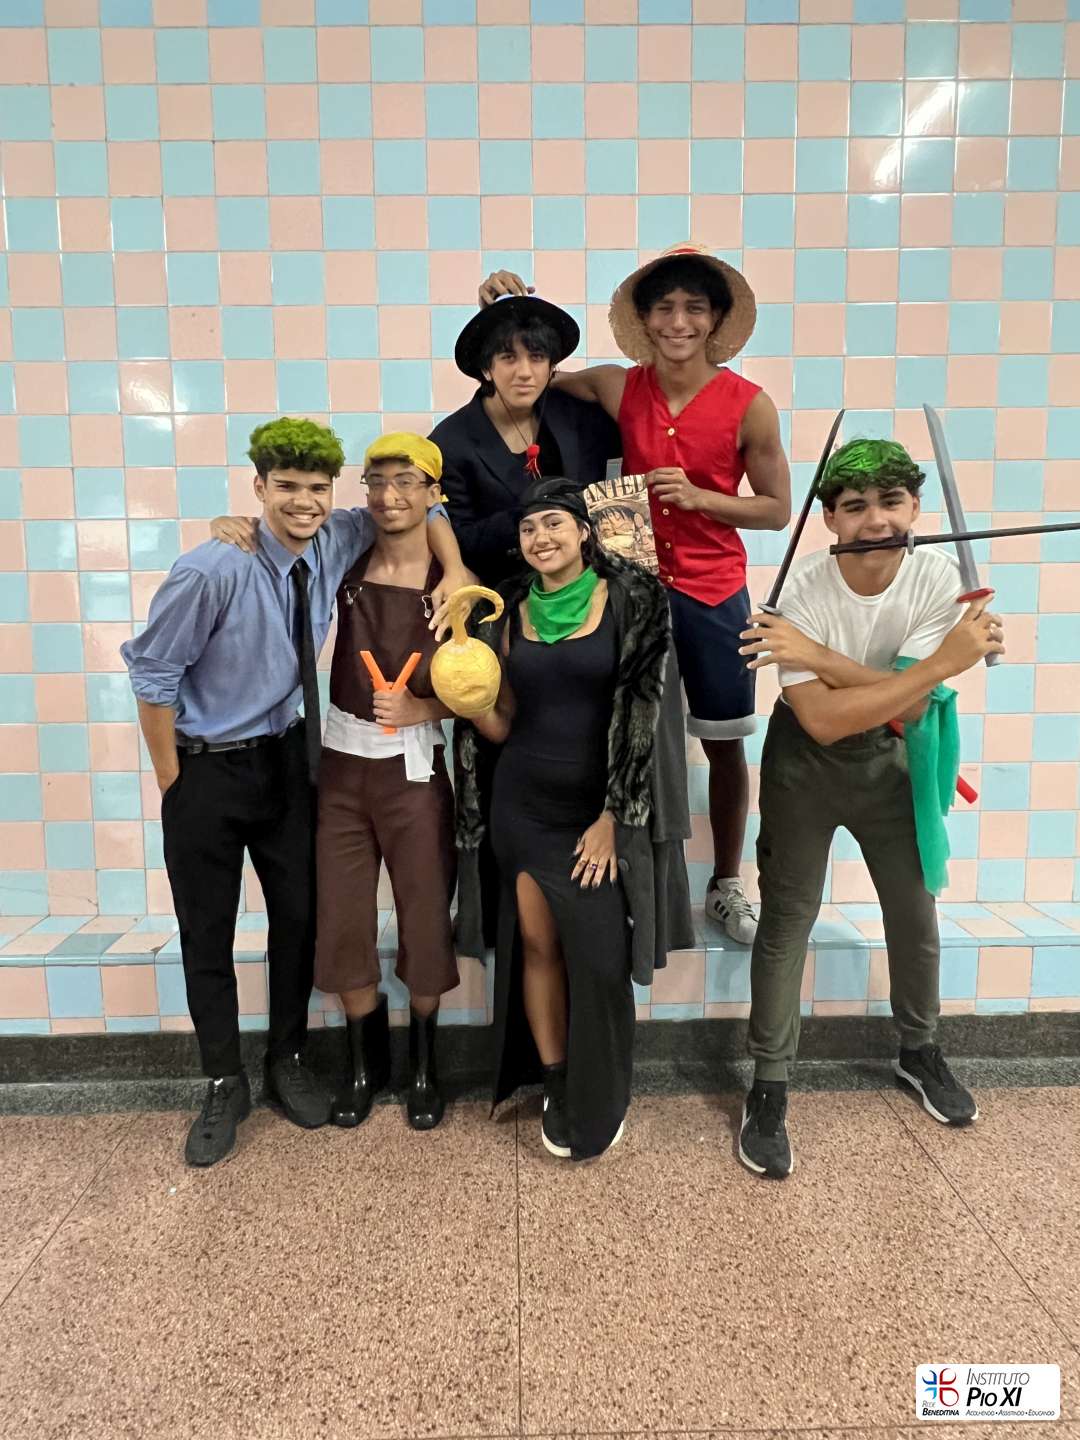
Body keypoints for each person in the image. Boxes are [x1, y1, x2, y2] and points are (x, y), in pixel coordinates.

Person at [125, 417, 467, 1167]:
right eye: (286, 487)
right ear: (259, 488)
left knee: (299, 919)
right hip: (209, 768)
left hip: (288, 760)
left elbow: (422, 501)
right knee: (208, 930)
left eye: (317, 488)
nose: (305, 502)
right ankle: (224, 1082)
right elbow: (152, 675)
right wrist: (175, 781)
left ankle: (289, 1059)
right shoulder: (213, 569)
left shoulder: (336, 537)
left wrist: (460, 568)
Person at [478, 244, 792, 947]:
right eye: (665, 308)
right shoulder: (618, 387)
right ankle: (617, 872)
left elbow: (776, 510)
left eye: (695, 308)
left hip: (714, 592)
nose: (679, 322)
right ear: (644, 319)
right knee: (615, 729)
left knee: (723, 742)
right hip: (630, 589)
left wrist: (703, 498)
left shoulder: (750, 405)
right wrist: (506, 312)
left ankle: (727, 882)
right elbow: (532, 377)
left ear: (716, 320)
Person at [734, 438, 1006, 1180]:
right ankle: (769, 1085)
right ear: (829, 518)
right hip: (803, 764)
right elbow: (824, 721)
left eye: (891, 502)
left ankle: (920, 1051)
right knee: (786, 919)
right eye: (855, 506)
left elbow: (908, 712)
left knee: (914, 913)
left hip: (892, 763)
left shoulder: (938, 576)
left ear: (915, 507)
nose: (876, 521)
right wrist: (943, 665)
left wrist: (822, 659)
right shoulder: (800, 592)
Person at [453, 476, 694, 1161]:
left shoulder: (633, 600)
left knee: (599, 960)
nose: (541, 538)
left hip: (595, 814)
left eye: (554, 523)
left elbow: (646, 721)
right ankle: (557, 1078)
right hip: (522, 808)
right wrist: (468, 702)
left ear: (584, 532)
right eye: (529, 528)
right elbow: (503, 724)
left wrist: (614, 817)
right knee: (537, 947)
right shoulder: (507, 610)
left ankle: (602, 1095)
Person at [314, 434, 458, 1133]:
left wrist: (424, 709)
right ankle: (364, 1064)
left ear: (434, 493)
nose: (389, 495)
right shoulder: (347, 552)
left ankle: (425, 1065)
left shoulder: (454, 586)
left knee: (425, 917)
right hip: (340, 769)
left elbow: (486, 689)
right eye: (377, 481)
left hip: (415, 774)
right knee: (342, 916)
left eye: (406, 481)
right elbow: (284, 532)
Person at [430, 294, 622, 586]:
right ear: (486, 369)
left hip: (591, 585)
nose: (525, 373)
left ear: (551, 366)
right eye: (509, 358)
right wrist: (536, 514)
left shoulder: (581, 417)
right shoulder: (449, 443)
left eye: (537, 357)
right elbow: (459, 538)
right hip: (506, 591)